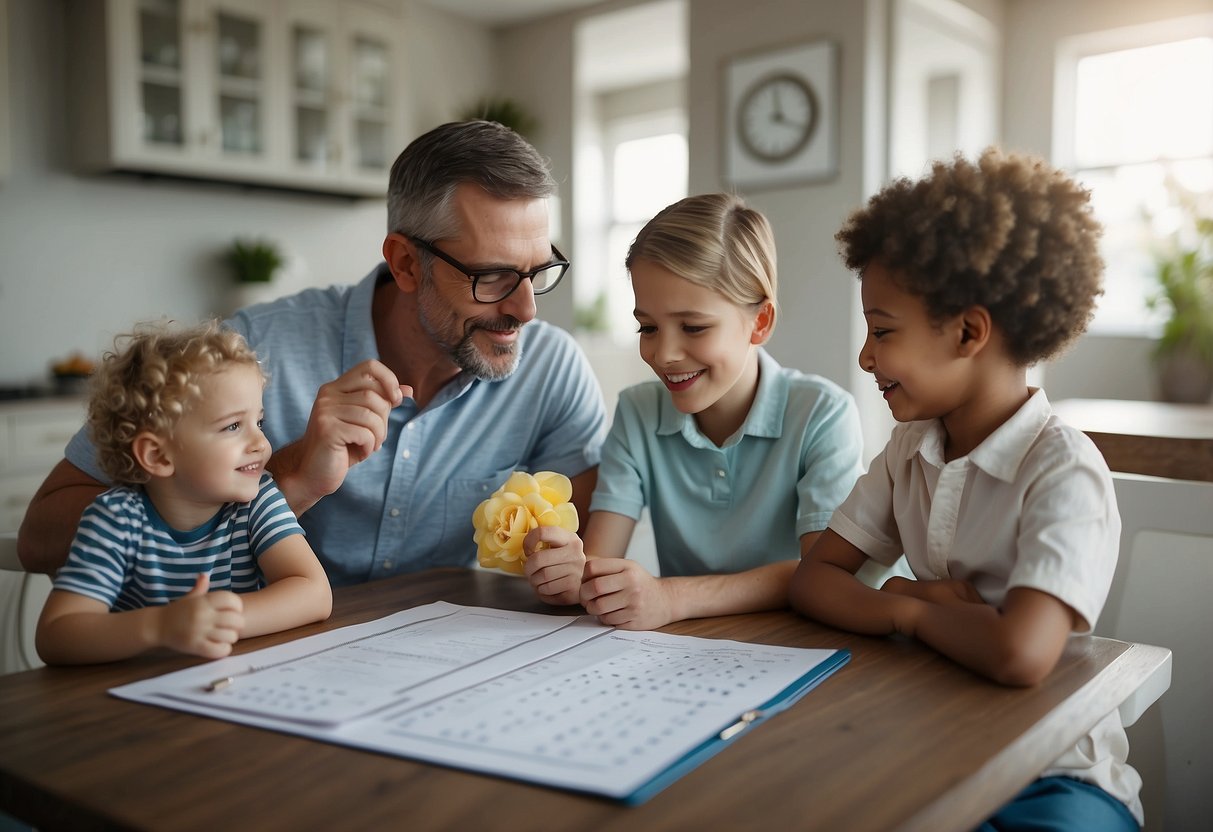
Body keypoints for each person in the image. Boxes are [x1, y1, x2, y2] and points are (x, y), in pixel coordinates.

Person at [19, 121, 607, 587]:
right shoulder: (248, 353)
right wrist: (287, 476)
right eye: (494, 277)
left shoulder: (551, 369)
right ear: (405, 263)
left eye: (539, 272)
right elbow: (40, 536)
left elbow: (580, 564)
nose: (528, 310)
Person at [788, 148, 1142, 830]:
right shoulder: (908, 451)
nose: (865, 355)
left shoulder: (1063, 471)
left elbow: (1020, 654)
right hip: (934, 742)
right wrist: (901, 603)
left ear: (968, 331)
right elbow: (813, 579)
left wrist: (907, 605)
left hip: (1057, 778)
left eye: (882, 330)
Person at [523, 193, 865, 628]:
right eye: (647, 327)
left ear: (759, 322)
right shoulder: (638, 412)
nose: (664, 354)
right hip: (690, 650)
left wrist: (673, 597)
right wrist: (573, 575)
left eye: (694, 327)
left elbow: (823, 572)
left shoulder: (823, 414)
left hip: (808, 644)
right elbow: (599, 559)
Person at [36, 321, 332, 665]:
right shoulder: (116, 518)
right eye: (233, 426)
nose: (261, 444)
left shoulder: (257, 501)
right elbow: (56, 634)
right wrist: (163, 627)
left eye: (259, 422)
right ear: (159, 455)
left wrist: (215, 622)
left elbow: (315, 593)